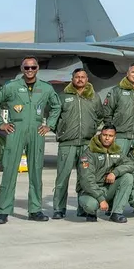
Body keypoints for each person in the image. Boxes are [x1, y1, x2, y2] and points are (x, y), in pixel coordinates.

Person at [0, 57, 62, 225]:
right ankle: (3, 211)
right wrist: (1, 124)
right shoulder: (11, 87)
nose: (30, 70)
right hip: (16, 130)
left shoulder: (45, 88)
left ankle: (35, 209)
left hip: (37, 131)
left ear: (37, 69)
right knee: (9, 171)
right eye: (27, 67)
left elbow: (56, 106)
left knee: (36, 171)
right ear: (22, 69)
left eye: (33, 67)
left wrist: (49, 125)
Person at [52, 67, 103, 219]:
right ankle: (59, 208)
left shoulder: (94, 97)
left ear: (87, 79)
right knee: (62, 177)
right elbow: (53, 115)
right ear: (72, 79)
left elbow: (100, 115)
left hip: (87, 144)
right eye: (77, 77)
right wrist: (61, 131)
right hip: (67, 144)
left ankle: (83, 208)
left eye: (83, 77)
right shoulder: (63, 96)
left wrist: (93, 128)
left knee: (85, 178)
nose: (80, 79)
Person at [76, 124, 134, 223]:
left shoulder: (116, 151)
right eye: (104, 135)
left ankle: (116, 213)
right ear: (100, 135)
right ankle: (90, 212)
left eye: (110, 136)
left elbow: (130, 165)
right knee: (90, 205)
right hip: (91, 191)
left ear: (114, 138)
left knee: (127, 177)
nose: (107, 138)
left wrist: (115, 173)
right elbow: (86, 180)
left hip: (107, 188)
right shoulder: (89, 153)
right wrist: (100, 199)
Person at [102, 63, 134, 154]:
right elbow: (107, 112)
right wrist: (111, 131)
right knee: (117, 165)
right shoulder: (116, 91)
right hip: (120, 137)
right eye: (133, 72)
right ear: (127, 74)